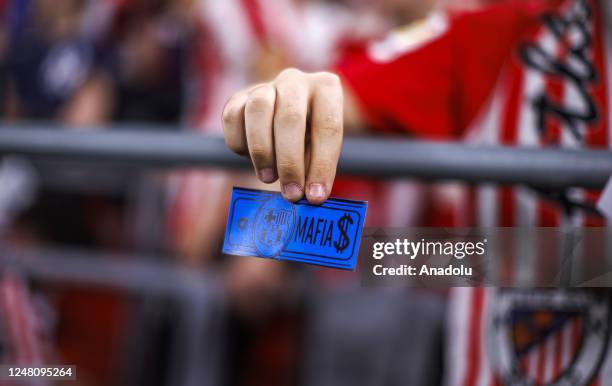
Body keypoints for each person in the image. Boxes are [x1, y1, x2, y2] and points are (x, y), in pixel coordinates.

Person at [222, 0, 612, 385]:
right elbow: (303, 112)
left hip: (406, 281)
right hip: (368, 281)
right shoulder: (494, 35)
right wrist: (261, 238)